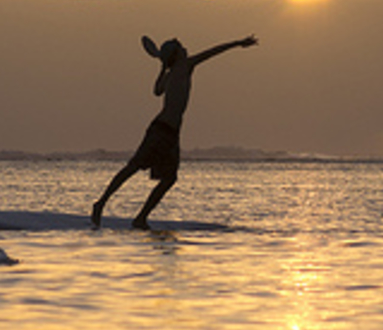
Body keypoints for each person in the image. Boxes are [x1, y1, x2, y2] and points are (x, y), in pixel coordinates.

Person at [91, 34, 258, 229]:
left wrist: (163, 68)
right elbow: (212, 52)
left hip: (171, 134)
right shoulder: (185, 66)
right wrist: (237, 43)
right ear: (177, 54)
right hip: (160, 130)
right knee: (133, 167)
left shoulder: (173, 72)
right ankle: (101, 203)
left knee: (168, 178)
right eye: (181, 48)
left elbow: (157, 90)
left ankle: (140, 218)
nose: (186, 49)